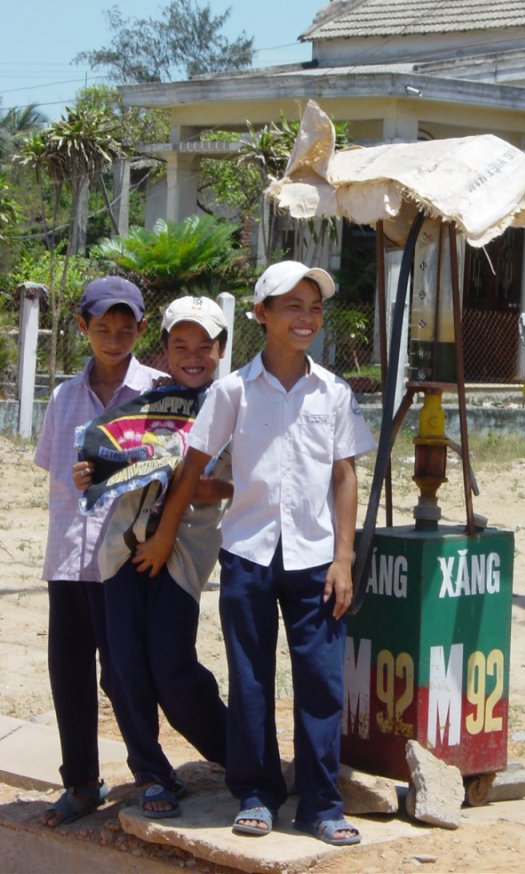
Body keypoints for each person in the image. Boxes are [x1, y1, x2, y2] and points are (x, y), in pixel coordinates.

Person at [133, 261, 376, 846]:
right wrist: (165, 534)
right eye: (292, 306)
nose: (306, 318)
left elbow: (344, 478)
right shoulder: (233, 390)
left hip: (317, 559)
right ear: (262, 314)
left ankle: (320, 802)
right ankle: (257, 793)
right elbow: (194, 466)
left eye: (314, 307)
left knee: (320, 681)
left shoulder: (333, 392)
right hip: (248, 554)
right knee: (250, 679)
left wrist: (344, 558)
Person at [34, 276, 166, 828]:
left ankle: (151, 773)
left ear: (141, 328)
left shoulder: (156, 390)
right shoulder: (65, 397)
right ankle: (81, 782)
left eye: (126, 327)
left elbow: (174, 463)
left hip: (124, 559)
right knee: (69, 672)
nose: (115, 338)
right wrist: (80, 473)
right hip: (68, 557)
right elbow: (53, 473)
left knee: (124, 671)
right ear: (83, 328)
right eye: (103, 327)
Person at [95, 295, 232, 819]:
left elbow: (232, 485)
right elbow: (109, 454)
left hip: (182, 555)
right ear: (167, 349)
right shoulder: (149, 398)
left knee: (172, 668)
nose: (192, 355)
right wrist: (98, 470)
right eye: (181, 345)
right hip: (121, 551)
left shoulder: (236, 403)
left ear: (221, 349)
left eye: (204, 345)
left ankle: (236, 755)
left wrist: (184, 483)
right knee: (125, 667)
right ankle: (152, 774)